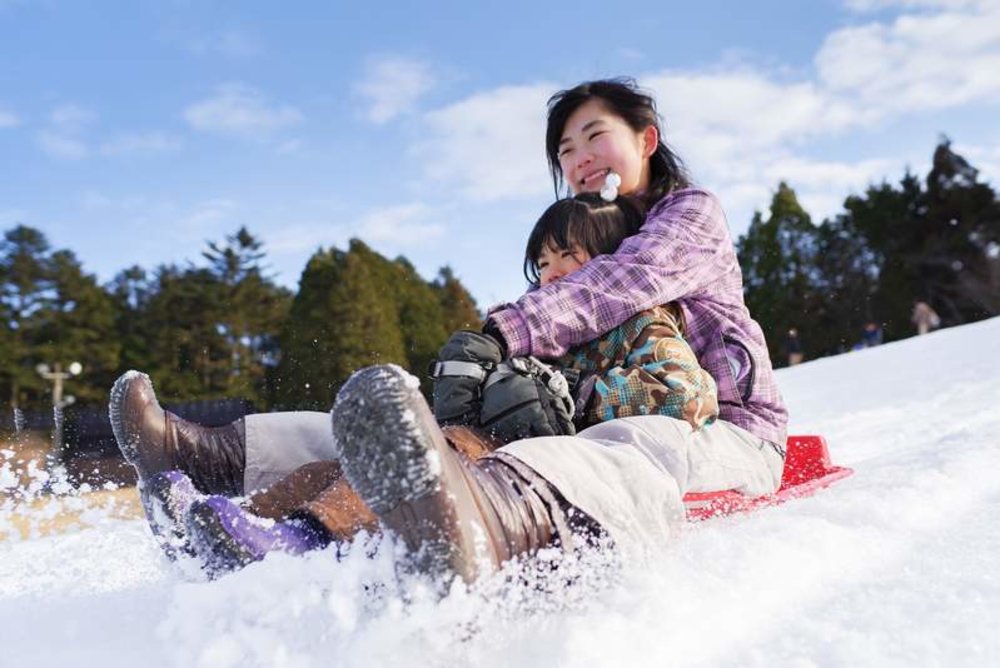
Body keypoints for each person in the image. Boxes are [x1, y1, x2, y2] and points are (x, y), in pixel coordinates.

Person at [111, 78, 787, 587]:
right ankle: (211, 464)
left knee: (623, 441)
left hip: (719, 430)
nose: (579, 156)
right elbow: (558, 313)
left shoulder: (686, 216)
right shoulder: (575, 247)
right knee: (417, 440)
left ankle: (476, 522)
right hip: (587, 426)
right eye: (565, 147)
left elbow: (623, 286)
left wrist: (516, 343)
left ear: (645, 139)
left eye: (594, 136)